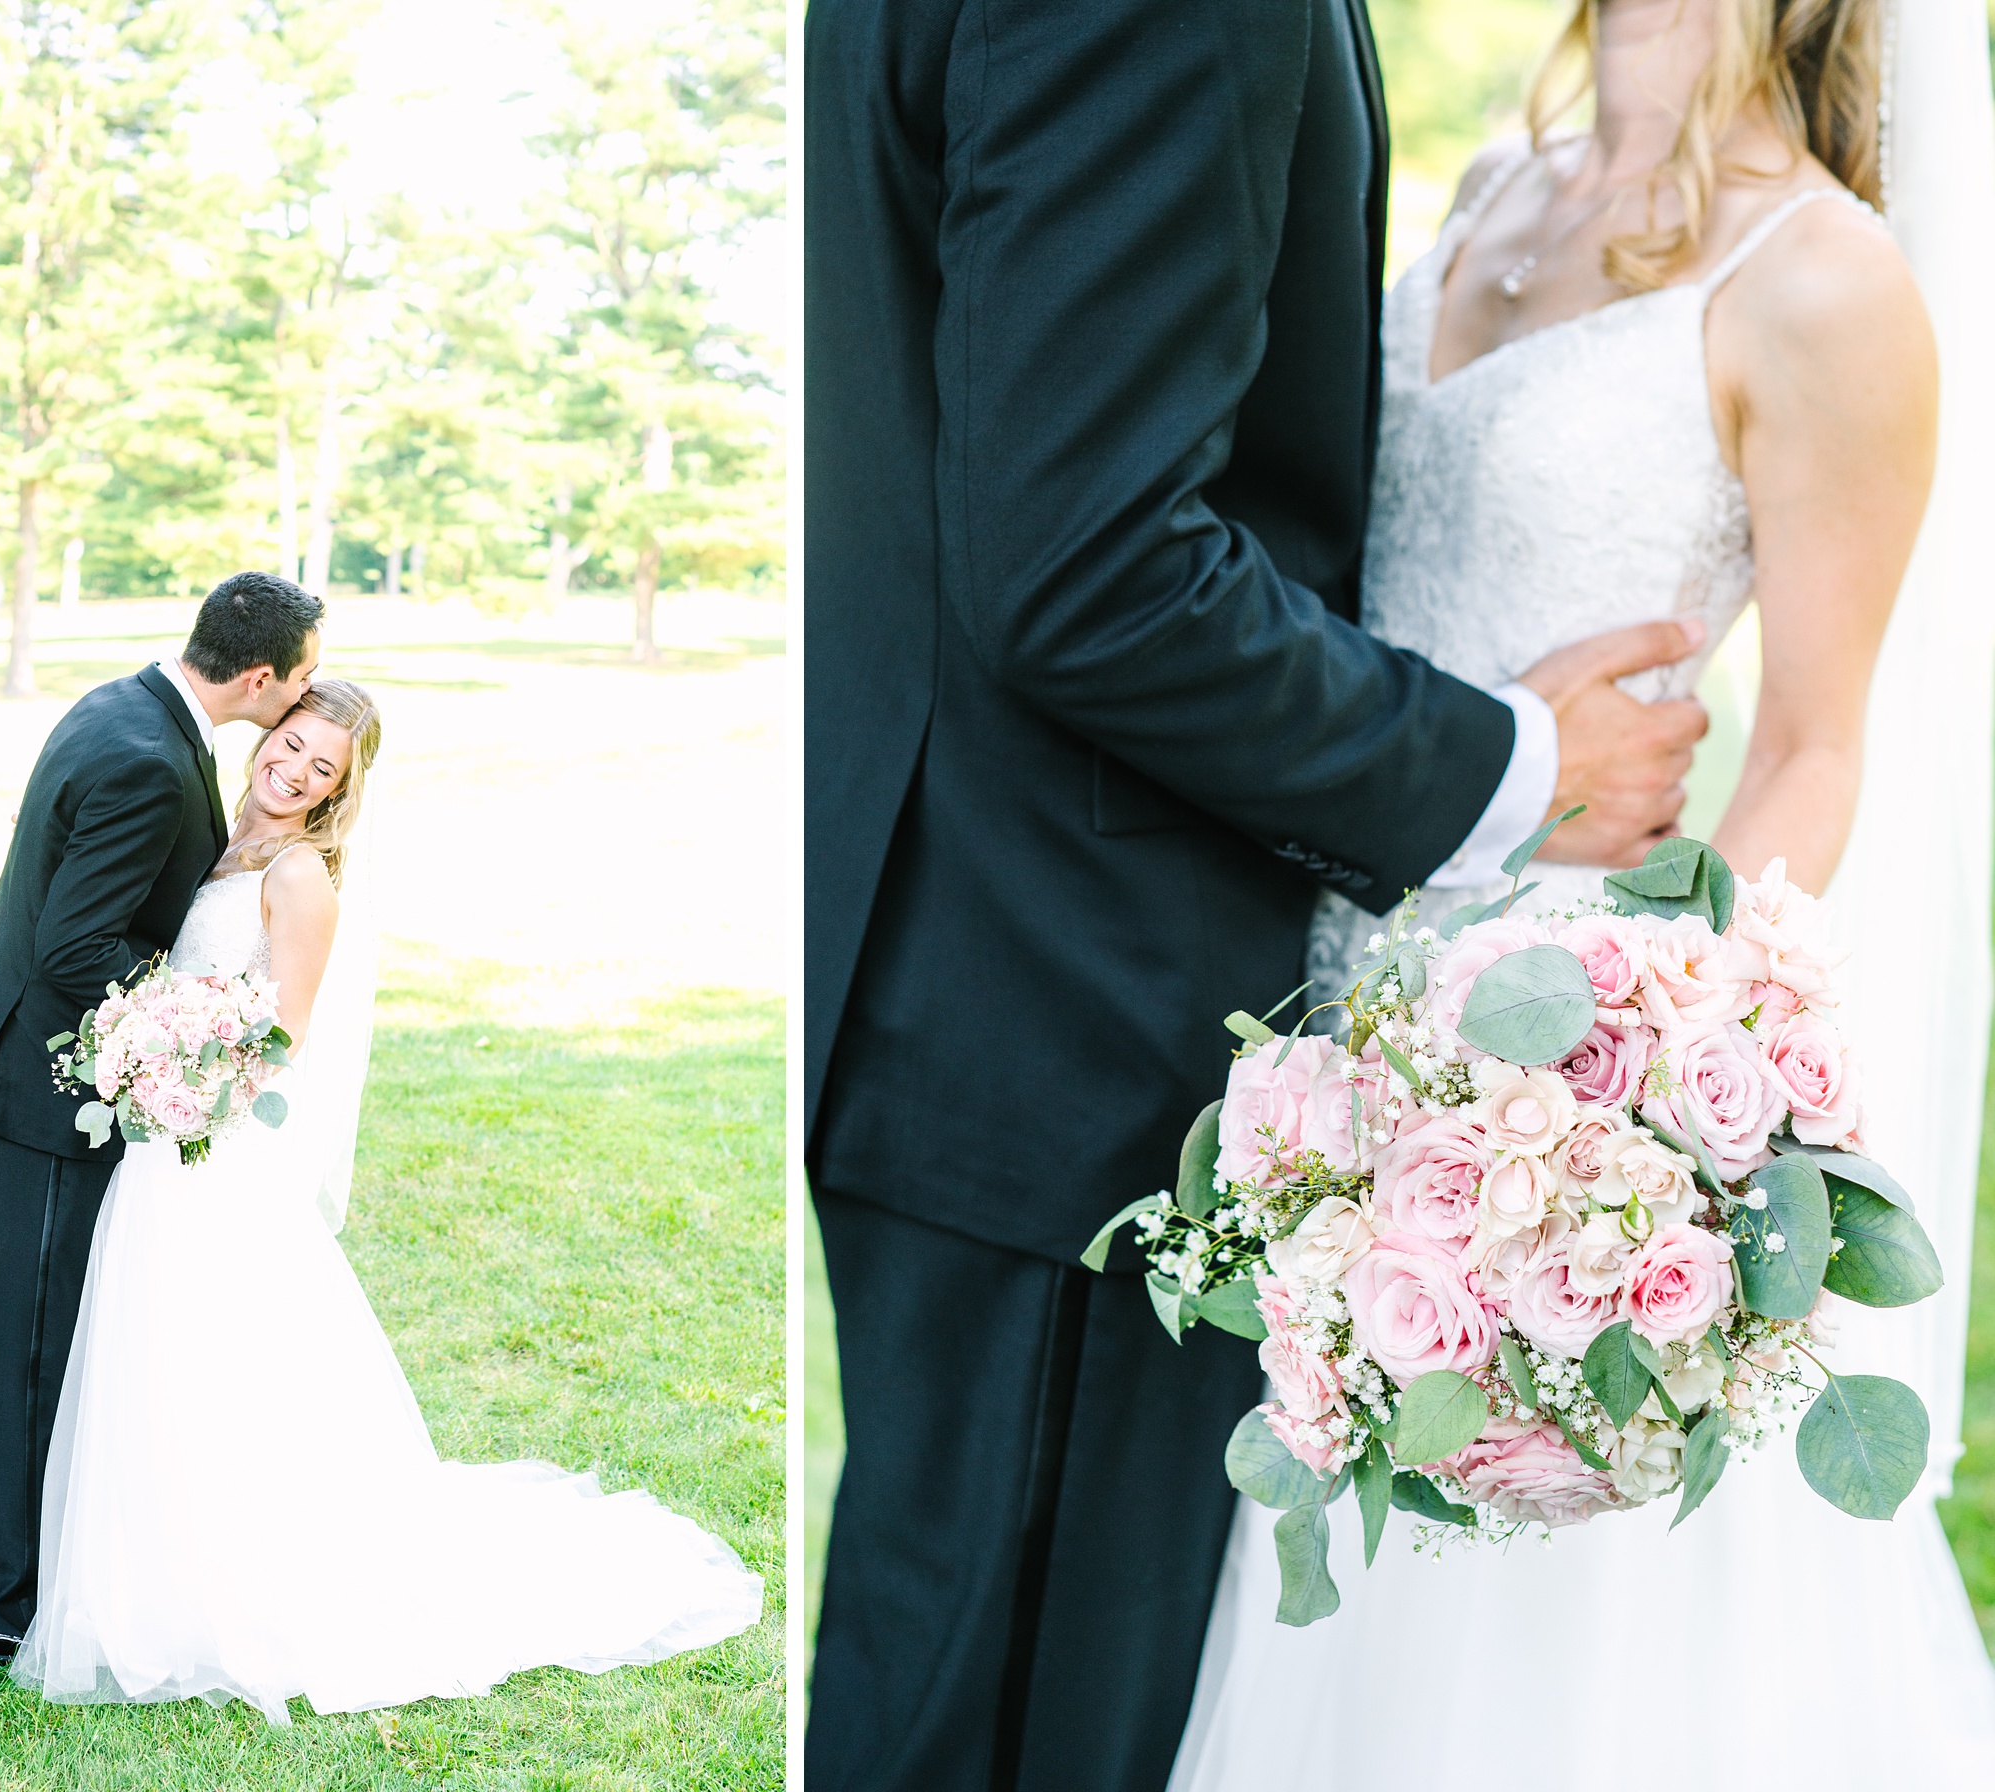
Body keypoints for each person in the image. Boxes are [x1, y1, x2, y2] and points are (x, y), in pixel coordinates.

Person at [803, 0, 1716, 1785]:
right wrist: (1515, 767)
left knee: (956, 1656)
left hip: (960, 956)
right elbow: (1093, 569)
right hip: (1069, 995)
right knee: (1014, 1720)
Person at [1172, 0, 1995, 1784]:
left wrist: (1628, 1090)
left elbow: (1811, 752)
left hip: (1561, 1052)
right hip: (1337, 1017)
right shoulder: (1488, 186)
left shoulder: (1827, 279)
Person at [0, 680, 762, 1721]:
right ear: (267, 732)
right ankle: (95, 1552)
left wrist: (180, 1074)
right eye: (292, 745)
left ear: (339, 794)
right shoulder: (216, 836)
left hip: (200, 1154)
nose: (296, 770)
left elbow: (281, 1038)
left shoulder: (299, 877)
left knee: (194, 1366)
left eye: (323, 767)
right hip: (150, 1145)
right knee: (119, 1352)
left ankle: (195, 1580)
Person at [0, 569, 322, 1662]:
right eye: (298, 684)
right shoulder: (152, 759)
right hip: (41, 1093)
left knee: (46, 1331)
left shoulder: (122, 701)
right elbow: (74, 947)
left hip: (27, 1069)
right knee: (29, 1340)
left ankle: (35, 1554)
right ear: (257, 676)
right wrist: (195, 1014)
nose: (301, 702)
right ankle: (11, 1598)